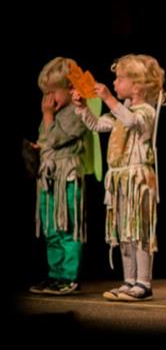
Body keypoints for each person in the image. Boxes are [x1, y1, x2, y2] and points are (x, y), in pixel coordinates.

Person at [74, 54, 166, 302]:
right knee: (124, 230)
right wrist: (82, 108)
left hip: (138, 177)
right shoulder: (120, 110)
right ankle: (129, 280)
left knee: (140, 231)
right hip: (120, 178)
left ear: (136, 85)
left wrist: (109, 99)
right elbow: (98, 125)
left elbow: (133, 121)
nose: (114, 83)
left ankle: (143, 282)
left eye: (120, 79)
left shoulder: (145, 111)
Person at [29, 57, 89, 295]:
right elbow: (47, 140)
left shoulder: (77, 112)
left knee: (68, 226)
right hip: (49, 177)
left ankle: (69, 276)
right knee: (51, 227)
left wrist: (47, 117)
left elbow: (56, 138)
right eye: (46, 93)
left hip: (68, 176)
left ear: (70, 88)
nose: (49, 99)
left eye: (53, 92)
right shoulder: (52, 114)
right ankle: (55, 275)